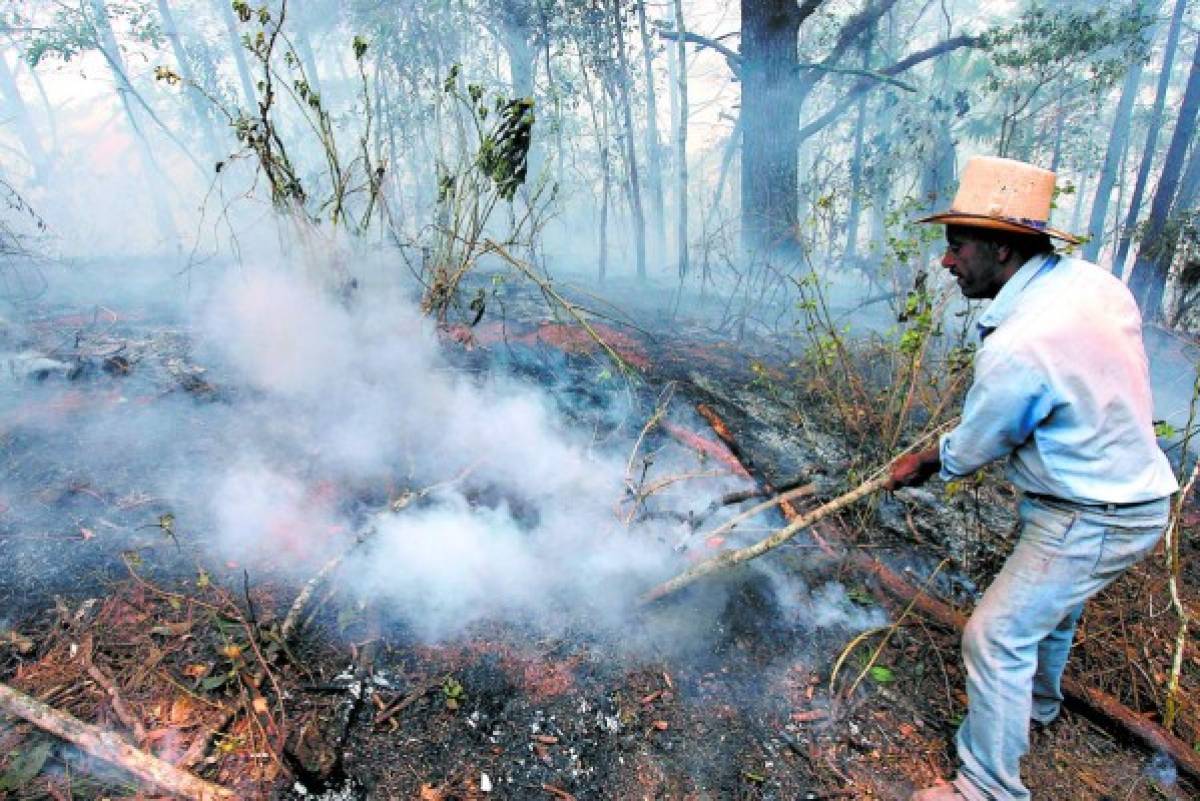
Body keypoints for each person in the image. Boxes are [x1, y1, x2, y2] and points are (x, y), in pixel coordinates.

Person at [888, 156, 1179, 801]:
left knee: (994, 636)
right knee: (1052, 612)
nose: (946, 263)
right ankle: (1036, 710)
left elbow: (980, 441)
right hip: (1126, 494)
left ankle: (986, 787)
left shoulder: (1022, 343)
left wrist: (919, 463)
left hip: (1093, 512)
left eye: (956, 247)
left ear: (1000, 246)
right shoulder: (1091, 286)